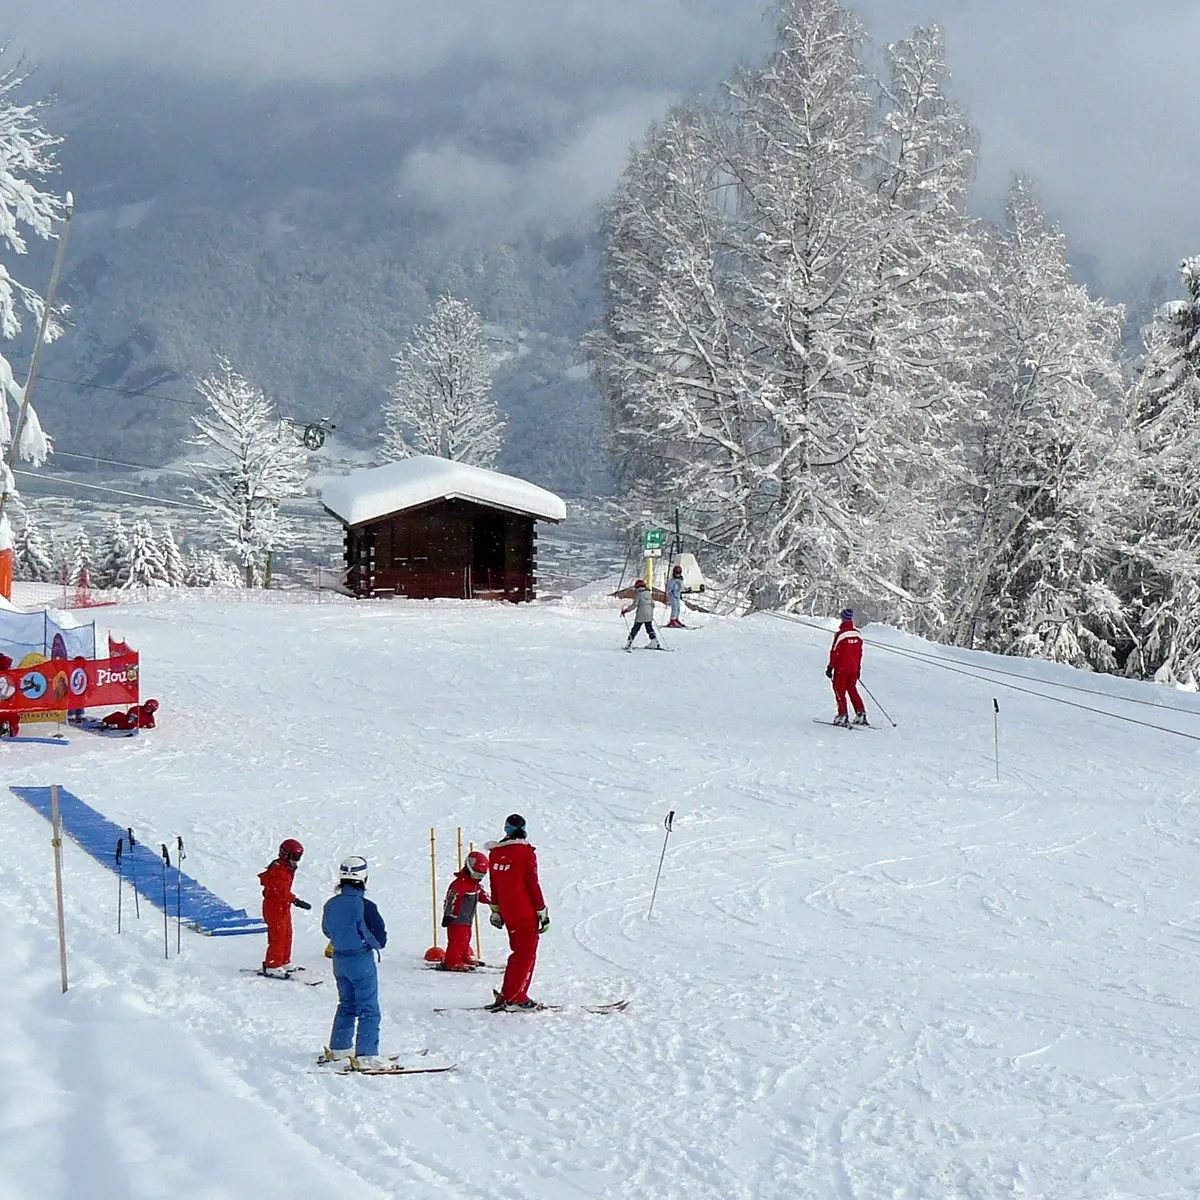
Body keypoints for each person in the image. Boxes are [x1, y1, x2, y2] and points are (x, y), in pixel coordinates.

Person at [320, 855, 388, 1068]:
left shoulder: (331, 904)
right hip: (360, 960)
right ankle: (367, 1055)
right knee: (369, 1008)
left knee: (347, 1004)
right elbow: (378, 939)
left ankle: (339, 1048)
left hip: (339, 960)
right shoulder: (365, 906)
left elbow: (327, 930)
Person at [486, 814, 548, 1011]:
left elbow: (494, 884)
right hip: (524, 911)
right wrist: (542, 911)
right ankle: (516, 997)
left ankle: (509, 992)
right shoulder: (525, 852)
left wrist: (496, 910)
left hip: (507, 911)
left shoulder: (495, 853)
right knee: (526, 953)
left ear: (506, 829)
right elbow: (532, 883)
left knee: (517, 952)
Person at [259, 838, 311, 974]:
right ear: (285, 855)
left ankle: (284, 960)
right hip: (274, 906)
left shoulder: (286, 867)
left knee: (287, 933)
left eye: (299, 857)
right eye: (295, 857)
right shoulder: (279, 870)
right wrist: (296, 900)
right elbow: (280, 891)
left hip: (283, 905)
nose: (297, 860)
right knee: (278, 936)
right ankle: (272, 964)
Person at [440, 850, 490, 971]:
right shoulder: (459, 884)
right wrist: (448, 915)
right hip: (456, 919)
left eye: (481, 876)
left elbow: (482, 895)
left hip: (467, 919)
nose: (479, 879)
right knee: (457, 940)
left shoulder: (474, 885)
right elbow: (451, 899)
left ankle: (463, 956)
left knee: (466, 938)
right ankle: (452, 961)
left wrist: (493, 901)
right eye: (477, 875)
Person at [826, 608, 868, 727]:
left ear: (843, 618)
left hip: (841, 668)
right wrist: (858, 668)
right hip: (854, 668)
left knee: (839, 690)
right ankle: (861, 713)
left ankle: (842, 715)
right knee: (852, 689)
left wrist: (830, 667)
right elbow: (860, 653)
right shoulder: (858, 634)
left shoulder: (840, 634)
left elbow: (834, 652)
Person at [621, 580, 662, 650]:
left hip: (641, 614)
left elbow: (635, 605)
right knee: (649, 627)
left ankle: (629, 642)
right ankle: (654, 641)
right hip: (649, 613)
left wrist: (626, 610)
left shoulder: (639, 594)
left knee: (636, 628)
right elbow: (653, 604)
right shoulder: (648, 593)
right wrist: (649, 611)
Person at [666, 564, 686, 629]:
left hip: (677, 595)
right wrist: (668, 594)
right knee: (674, 608)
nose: (678, 574)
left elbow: (682, 587)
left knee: (678, 608)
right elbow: (669, 589)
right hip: (672, 595)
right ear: (674, 573)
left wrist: (686, 589)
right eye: (677, 573)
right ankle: (672, 620)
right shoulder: (672, 581)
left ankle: (676, 619)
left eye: (679, 573)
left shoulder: (680, 580)